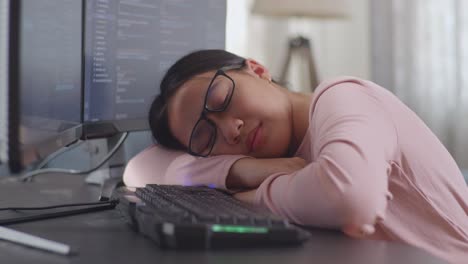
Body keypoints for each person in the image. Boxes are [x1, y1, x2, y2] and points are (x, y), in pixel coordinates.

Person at [123, 49, 468, 264]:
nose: (231, 129)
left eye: (222, 98)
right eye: (205, 137)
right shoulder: (275, 152)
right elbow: (140, 168)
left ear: (256, 69)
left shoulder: (343, 97)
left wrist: (253, 196)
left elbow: (349, 198)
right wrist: (240, 170)